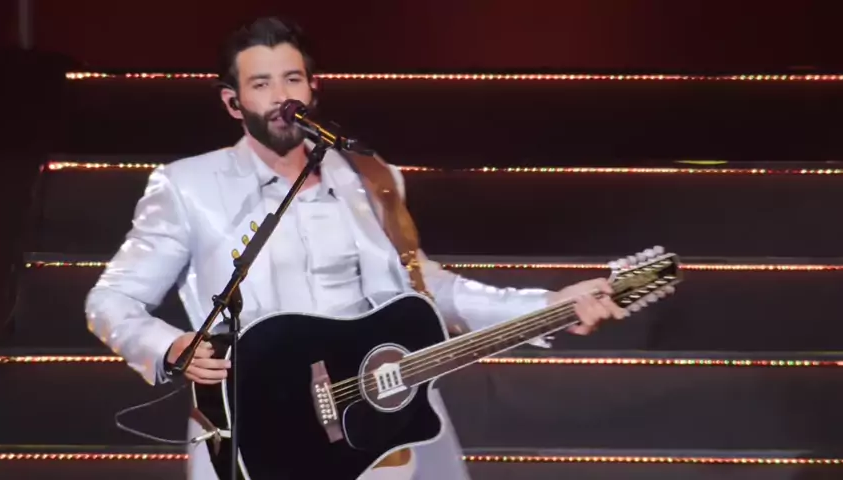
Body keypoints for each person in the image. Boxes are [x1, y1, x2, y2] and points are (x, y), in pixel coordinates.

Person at [84, 16, 628, 480]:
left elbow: (429, 289)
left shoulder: (372, 179)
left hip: (383, 423)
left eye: (292, 79)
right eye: (261, 84)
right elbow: (110, 301)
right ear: (233, 102)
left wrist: (549, 305)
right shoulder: (189, 187)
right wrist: (170, 347)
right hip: (261, 433)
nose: (281, 97)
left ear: (313, 89)